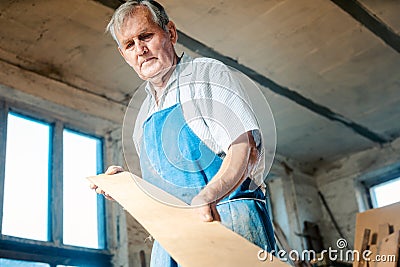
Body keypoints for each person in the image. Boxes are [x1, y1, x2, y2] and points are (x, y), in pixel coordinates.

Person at [90, 1, 275, 266]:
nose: (140, 50)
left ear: (171, 33)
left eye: (146, 36)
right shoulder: (141, 115)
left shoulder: (207, 74)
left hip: (226, 221)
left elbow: (245, 149)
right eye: (130, 45)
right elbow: (163, 191)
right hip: (173, 240)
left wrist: (209, 194)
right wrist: (128, 186)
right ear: (124, 54)